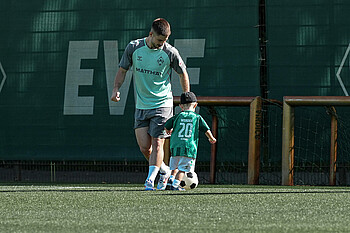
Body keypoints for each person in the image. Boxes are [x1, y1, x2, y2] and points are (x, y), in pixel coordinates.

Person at [110, 18, 190, 191]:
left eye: (165, 40)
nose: (162, 43)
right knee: (145, 147)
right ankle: (165, 171)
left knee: (158, 143)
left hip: (163, 103)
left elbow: (183, 73)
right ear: (151, 34)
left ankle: (150, 181)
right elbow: (122, 70)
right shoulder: (134, 47)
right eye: (160, 40)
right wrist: (116, 88)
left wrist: (186, 97)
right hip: (141, 105)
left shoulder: (170, 52)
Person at [164, 92, 217, 191]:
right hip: (188, 148)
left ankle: (170, 180)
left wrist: (168, 131)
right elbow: (206, 129)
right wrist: (211, 138)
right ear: (195, 105)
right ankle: (175, 185)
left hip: (175, 147)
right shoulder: (197, 117)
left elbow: (167, 125)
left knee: (174, 167)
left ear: (181, 106)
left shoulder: (177, 116)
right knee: (183, 170)